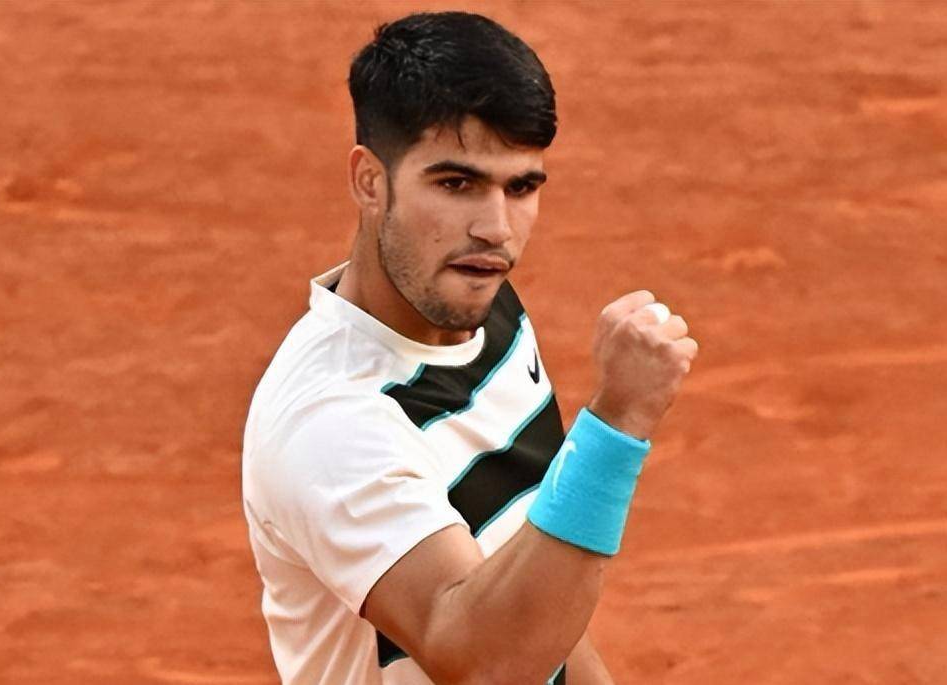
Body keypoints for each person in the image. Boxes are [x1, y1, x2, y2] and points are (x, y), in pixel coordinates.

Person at [241, 11, 698, 684]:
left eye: (521, 187)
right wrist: (615, 427)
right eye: (456, 184)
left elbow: (542, 606)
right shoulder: (332, 421)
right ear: (370, 181)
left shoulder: (483, 307)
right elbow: (487, 660)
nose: (496, 229)